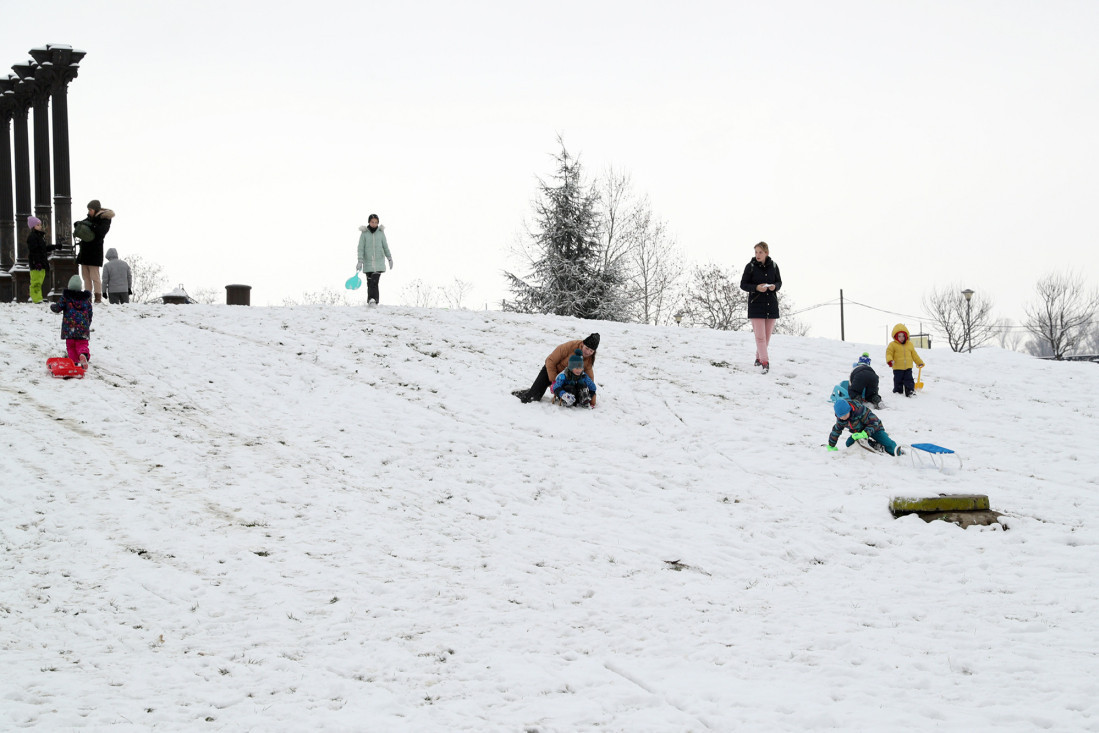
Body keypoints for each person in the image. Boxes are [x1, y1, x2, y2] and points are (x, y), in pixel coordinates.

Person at [513, 333, 599, 406]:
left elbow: (589, 375)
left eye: (591, 351)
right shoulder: (570, 346)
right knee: (532, 399)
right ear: (583, 344)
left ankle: (533, 390)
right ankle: (526, 392)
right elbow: (550, 360)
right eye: (587, 348)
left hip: (567, 378)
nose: (588, 352)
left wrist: (590, 392)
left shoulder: (589, 358)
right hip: (551, 370)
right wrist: (554, 380)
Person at [740, 241, 782, 374]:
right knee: (760, 337)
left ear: (766, 253)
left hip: (771, 305)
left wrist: (774, 286)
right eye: (756, 252)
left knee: (767, 336)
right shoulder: (750, 267)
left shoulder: (774, 266)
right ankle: (765, 362)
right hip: (756, 305)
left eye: (760, 252)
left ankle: (758, 358)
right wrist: (756, 288)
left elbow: (779, 282)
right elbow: (743, 284)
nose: (758, 255)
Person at [826, 399, 904, 456]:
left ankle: (898, 452)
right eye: (841, 417)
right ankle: (874, 445)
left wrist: (865, 433)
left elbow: (874, 422)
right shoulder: (841, 418)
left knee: (889, 444)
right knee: (849, 443)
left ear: (849, 410)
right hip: (859, 432)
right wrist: (831, 445)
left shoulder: (859, 410)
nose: (843, 418)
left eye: (845, 415)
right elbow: (836, 430)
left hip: (874, 429)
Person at [74, 199, 115, 304]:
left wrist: (90, 226)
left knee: (94, 277)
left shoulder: (104, 219)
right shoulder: (89, 218)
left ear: (96, 210)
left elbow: (101, 232)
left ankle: (97, 297)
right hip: (85, 252)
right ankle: (87, 297)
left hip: (94, 252)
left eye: (90, 209)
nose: (89, 212)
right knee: (86, 277)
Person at [50, 274, 93, 369]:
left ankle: (74, 362)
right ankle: (83, 355)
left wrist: (52, 307)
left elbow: (57, 307)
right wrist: (87, 324)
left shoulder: (66, 298)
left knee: (71, 346)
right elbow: (90, 313)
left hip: (69, 329)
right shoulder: (86, 300)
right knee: (82, 344)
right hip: (82, 328)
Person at [356, 214, 393, 305]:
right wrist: (360, 261)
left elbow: (385, 246)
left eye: (376, 222)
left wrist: (389, 258)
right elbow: (360, 248)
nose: (374, 224)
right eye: (372, 222)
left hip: (379, 262)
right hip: (368, 262)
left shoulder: (380, 233)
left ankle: (374, 299)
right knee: (369, 282)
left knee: (374, 281)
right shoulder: (364, 233)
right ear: (369, 222)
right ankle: (370, 301)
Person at [886, 323, 925, 397]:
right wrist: (890, 360)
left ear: (906, 336)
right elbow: (889, 353)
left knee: (909, 380)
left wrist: (919, 362)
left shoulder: (909, 344)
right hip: (897, 368)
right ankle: (898, 392)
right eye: (899, 336)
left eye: (903, 336)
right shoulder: (892, 345)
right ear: (895, 336)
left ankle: (910, 391)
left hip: (908, 368)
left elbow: (914, 355)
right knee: (898, 381)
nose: (901, 338)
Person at [26, 216, 60, 304]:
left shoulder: (39, 237)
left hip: (41, 262)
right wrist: (37, 262)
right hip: (36, 264)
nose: (40, 226)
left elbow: (44, 248)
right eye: (38, 225)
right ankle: (36, 299)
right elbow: (34, 251)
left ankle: (38, 298)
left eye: (40, 224)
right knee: (36, 282)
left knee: (39, 281)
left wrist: (55, 246)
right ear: (33, 226)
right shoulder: (32, 237)